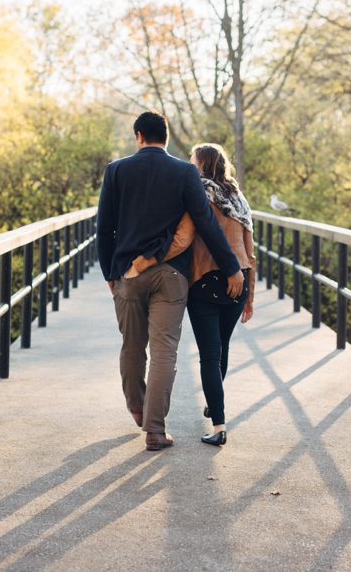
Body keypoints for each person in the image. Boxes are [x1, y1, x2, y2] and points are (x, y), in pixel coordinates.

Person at [96, 112, 244, 452]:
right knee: (165, 351)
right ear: (165, 136)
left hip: (128, 274)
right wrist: (231, 267)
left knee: (132, 346)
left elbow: (105, 229)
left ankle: (137, 406)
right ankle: (156, 431)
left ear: (138, 136)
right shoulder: (185, 171)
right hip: (172, 275)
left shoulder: (116, 170)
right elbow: (206, 222)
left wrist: (109, 273)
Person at [126, 143, 256, 447]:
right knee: (221, 349)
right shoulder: (238, 199)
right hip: (239, 282)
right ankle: (216, 402)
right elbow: (251, 252)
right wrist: (250, 297)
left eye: (192, 160)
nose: (188, 164)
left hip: (206, 281)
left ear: (202, 166)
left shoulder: (199, 195)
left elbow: (183, 238)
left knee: (210, 356)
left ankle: (220, 425)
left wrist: (146, 261)